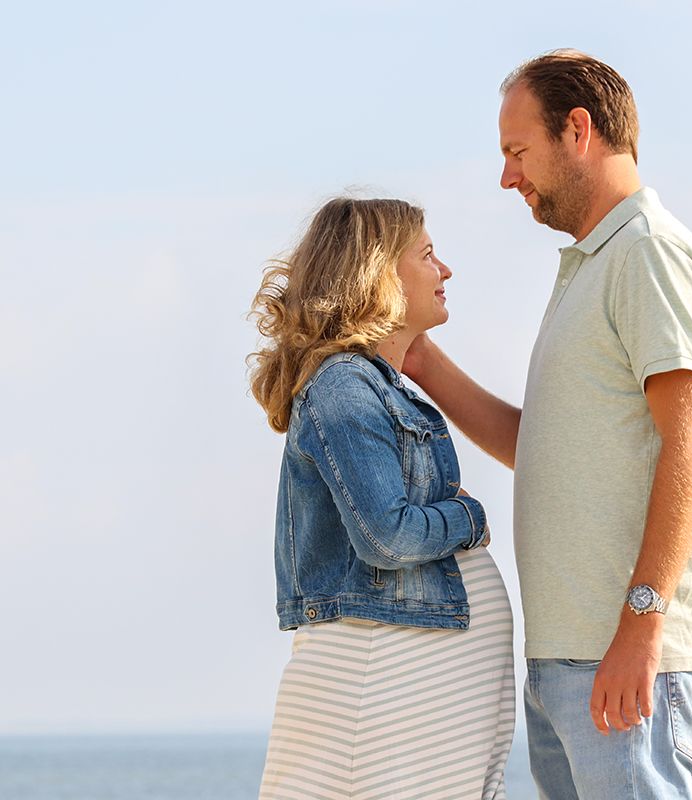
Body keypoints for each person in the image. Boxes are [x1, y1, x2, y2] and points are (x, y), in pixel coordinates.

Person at [402, 50, 692, 799]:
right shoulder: (591, 266)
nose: (508, 177)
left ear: (578, 130)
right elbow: (538, 451)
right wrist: (421, 361)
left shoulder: (647, 252)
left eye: (518, 152)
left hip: (622, 654)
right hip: (564, 662)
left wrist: (642, 624)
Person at [249, 198, 515, 800]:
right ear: (378, 277)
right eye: (426, 255)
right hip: (381, 680)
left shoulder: (375, 384)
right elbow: (387, 536)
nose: (444, 270)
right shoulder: (345, 384)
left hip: (413, 690)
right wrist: (469, 518)